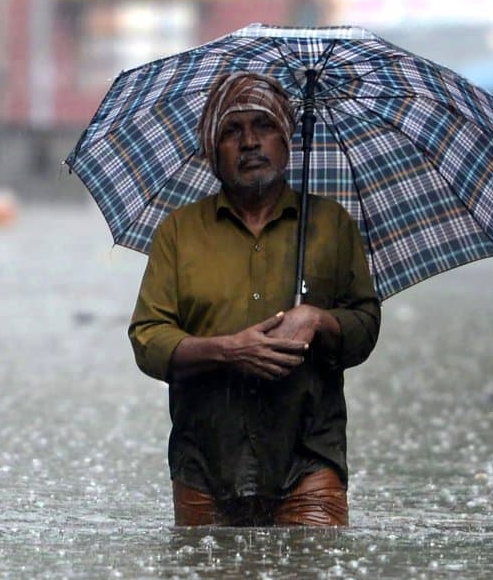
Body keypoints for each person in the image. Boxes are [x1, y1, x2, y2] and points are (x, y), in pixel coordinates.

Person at [129, 71, 381, 527]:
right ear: (212, 153)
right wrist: (228, 350)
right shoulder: (179, 232)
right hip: (205, 462)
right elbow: (148, 339)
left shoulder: (330, 225)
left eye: (263, 126)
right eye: (231, 131)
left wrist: (318, 319)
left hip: (308, 459)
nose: (249, 142)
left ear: (287, 142)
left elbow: (365, 327)